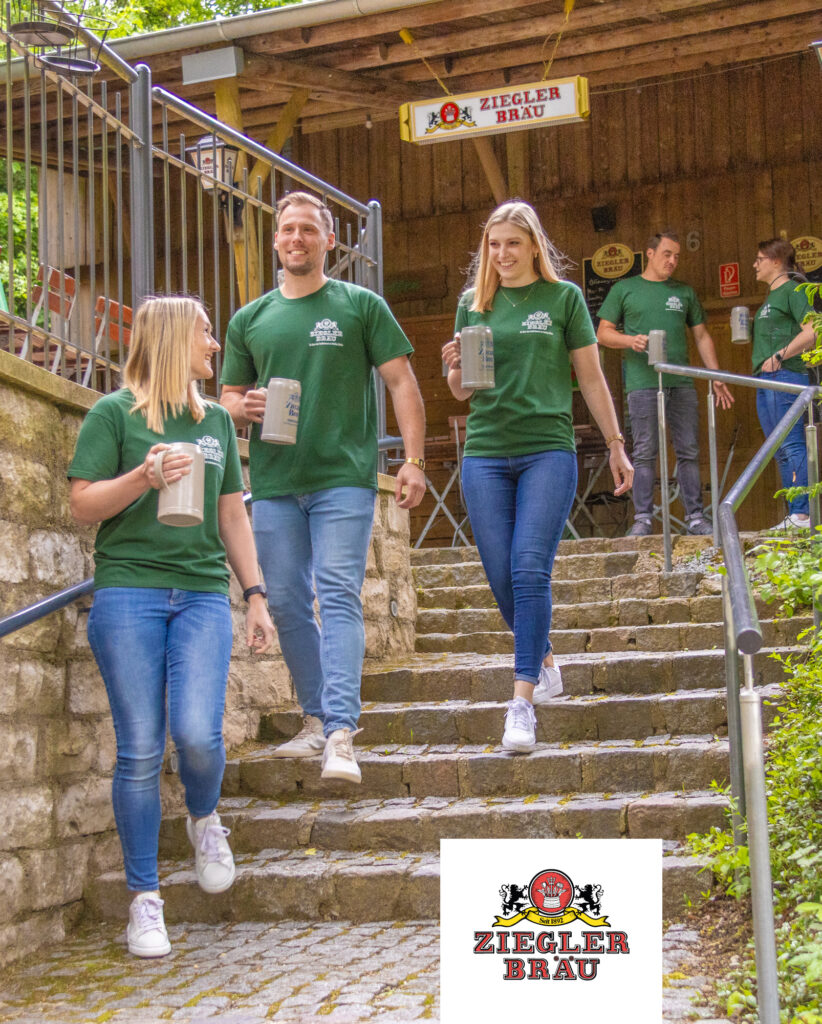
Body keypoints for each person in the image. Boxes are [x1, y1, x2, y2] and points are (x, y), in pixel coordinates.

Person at [68, 296, 275, 959]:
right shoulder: (112, 414)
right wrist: (143, 475)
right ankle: (144, 901)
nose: (215, 344)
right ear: (170, 339)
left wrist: (257, 596)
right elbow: (82, 504)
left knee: (197, 735)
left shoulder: (215, 422)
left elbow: (232, 515)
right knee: (138, 751)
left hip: (202, 596)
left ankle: (204, 818)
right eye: (206, 333)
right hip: (128, 592)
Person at [220, 190, 426, 785]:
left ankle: (340, 732)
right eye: (288, 229)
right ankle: (315, 717)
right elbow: (226, 399)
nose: (297, 238)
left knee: (337, 593)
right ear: (275, 240)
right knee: (285, 600)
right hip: (275, 483)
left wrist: (413, 460)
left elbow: (402, 382)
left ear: (329, 241)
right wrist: (242, 406)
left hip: (343, 479)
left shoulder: (360, 305)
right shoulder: (250, 320)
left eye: (309, 229)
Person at [441, 200, 633, 755]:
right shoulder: (472, 304)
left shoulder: (563, 298)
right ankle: (545, 662)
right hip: (485, 453)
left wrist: (616, 444)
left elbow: (591, 379)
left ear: (533, 246)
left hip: (547, 449)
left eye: (513, 243)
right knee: (502, 576)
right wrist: (454, 368)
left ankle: (521, 702)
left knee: (529, 569)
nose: (502, 254)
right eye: (494, 244)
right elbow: (463, 391)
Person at [597, 231, 734, 537]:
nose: (672, 261)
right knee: (645, 451)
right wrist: (630, 340)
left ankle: (695, 517)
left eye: (676, 256)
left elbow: (702, 336)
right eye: (667, 254)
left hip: (681, 382)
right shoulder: (625, 289)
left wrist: (716, 375)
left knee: (688, 450)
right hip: (642, 383)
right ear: (650, 253)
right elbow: (602, 333)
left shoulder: (684, 292)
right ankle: (643, 519)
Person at [752, 238, 816, 529]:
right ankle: (794, 512)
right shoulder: (771, 297)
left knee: (791, 443)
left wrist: (780, 354)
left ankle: (802, 512)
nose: (755, 265)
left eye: (759, 259)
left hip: (786, 374)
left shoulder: (792, 290)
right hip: (764, 377)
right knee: (777, 447)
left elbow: (812, 330)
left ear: (776, 260)